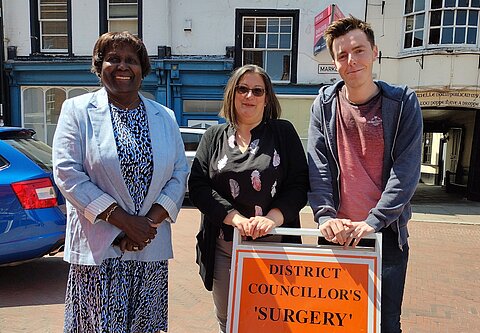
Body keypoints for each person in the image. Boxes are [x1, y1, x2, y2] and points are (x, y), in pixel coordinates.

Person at [52, 31, 189, 333]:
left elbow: (180, 174)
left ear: (143, 70)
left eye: (131, 60)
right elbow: (66, 172)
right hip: (101, 250)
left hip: (149, 249)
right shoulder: (77, 111)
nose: (123, 66)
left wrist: (147, 225)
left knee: (146, 327)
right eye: (113, 59)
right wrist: (125, 222)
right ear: (99, 66)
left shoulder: (164, 116)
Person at [307, 16, 422, 333]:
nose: (351, 60)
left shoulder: (401, 103)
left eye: (358, 50)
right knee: (332, 323)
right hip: (336, 234)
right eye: (342, 55)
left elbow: (406, 171)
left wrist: (373, 222)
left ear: (375, 52)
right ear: (334, 62)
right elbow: (318, 165)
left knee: (384, 325)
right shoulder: (325, 104)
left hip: (385, 237)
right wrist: (325, 216)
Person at [188, 64, 309, 333]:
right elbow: (198, 186)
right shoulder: (213, 137)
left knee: (275, 324)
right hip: (225, 249)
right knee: (230, 322)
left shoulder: (283, 133)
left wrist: (272, 219)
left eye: (257, 90)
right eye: (242, 89)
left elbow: (299, 184)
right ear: (232, 94)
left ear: (267, 98)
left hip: (275, 247)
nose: (249, 96)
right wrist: (236, 219)